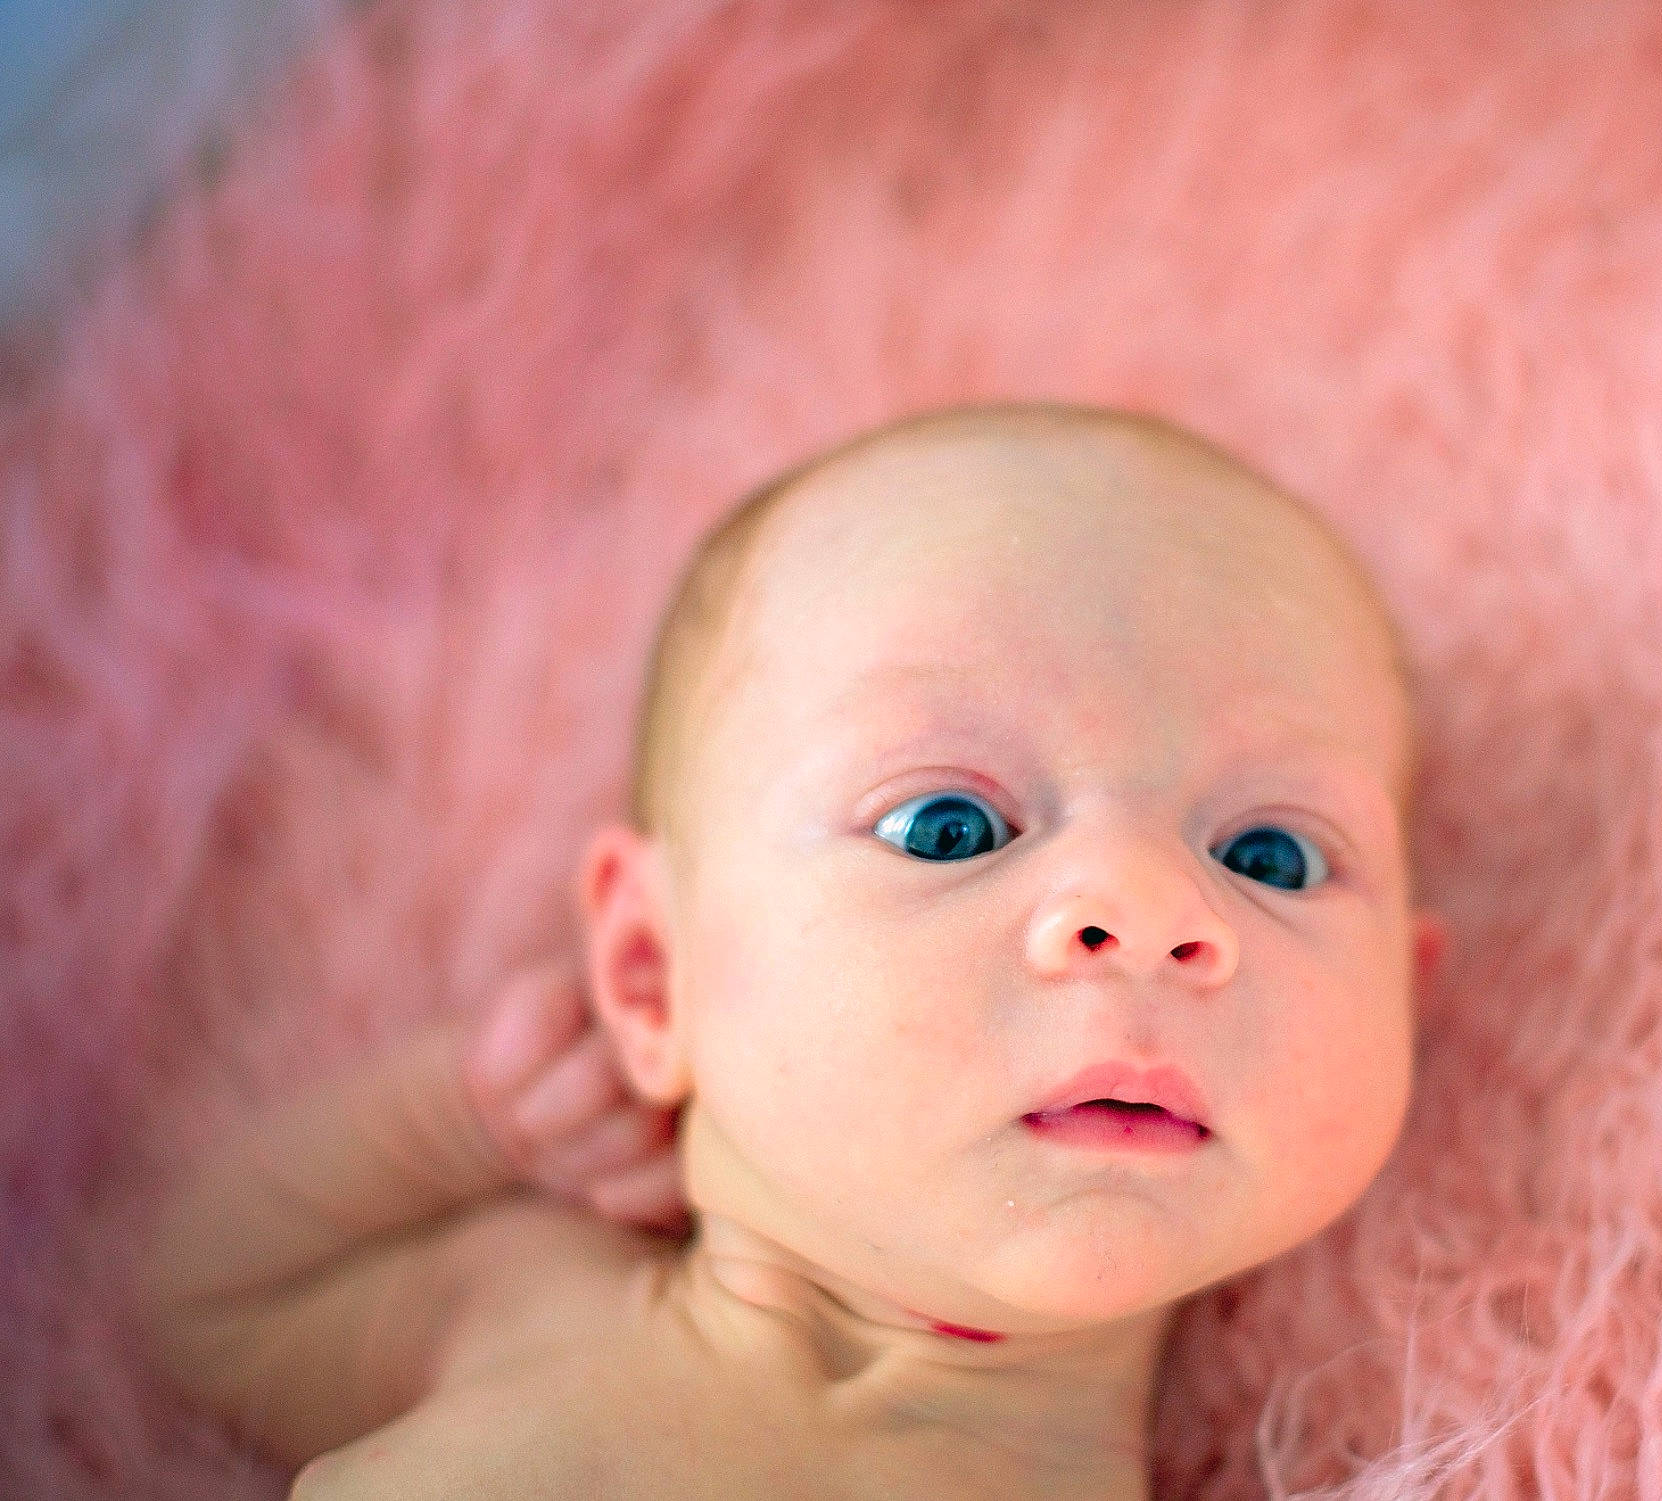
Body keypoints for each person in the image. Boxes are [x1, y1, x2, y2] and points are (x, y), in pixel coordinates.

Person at [136, 402, 1449, 1498]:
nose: (1157, 910)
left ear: (1404, 990)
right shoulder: (531, 1301)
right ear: (653, 970)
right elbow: (194, 1305)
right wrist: (464, 1121)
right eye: (949, 827)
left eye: (1269, 856)